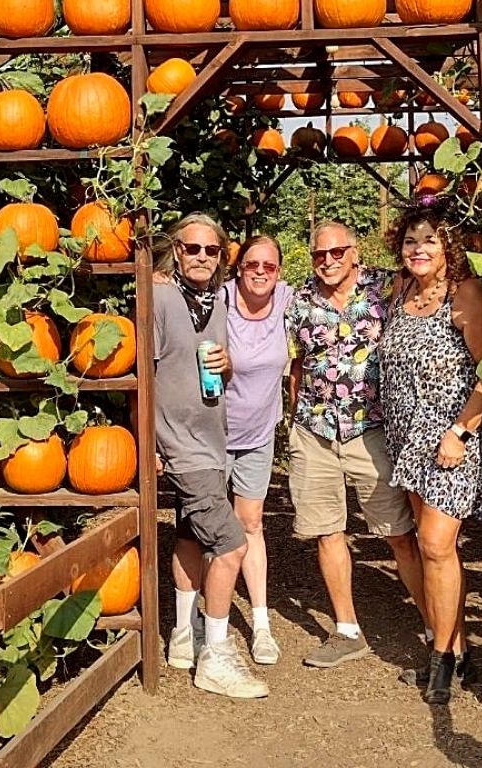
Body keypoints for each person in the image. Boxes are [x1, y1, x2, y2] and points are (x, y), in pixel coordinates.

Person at [286, 220, 429, 668]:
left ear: (355, 252)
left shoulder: (388, 289)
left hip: (373, 431)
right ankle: (347, 629)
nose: (326, 262)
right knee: (328, 530)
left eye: (335, 253)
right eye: (318, 255)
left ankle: (435, 623)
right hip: (315, 430)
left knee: (399, 534)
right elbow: (295, 365)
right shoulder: (299, 300)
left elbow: (437, 283)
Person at [379, 197, 482, 704]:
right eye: (410, 241)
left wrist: (461, 432)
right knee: (428, 548)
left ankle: (441, 657)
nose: (418, 249)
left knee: (435, 545)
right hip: (406, 441)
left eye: (429, 241)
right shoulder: (400, 290)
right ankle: (459, 649)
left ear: (449, 247)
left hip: (450, 440)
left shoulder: (464, 295)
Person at [153, 212, 268, 699]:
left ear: (223, 257)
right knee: (230, 543)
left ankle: (184, 636)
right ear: (175, 251)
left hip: (210, 443)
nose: (202, 257)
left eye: (211, 250)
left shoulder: (216, 301)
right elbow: (140, 375)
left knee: (190, 535)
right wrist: (150, 444)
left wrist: (226, 365)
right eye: (191, 248)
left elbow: (209, 372)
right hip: (181, 446)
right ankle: (216, 657)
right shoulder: (158, 297)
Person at [222, 234, 291, 666]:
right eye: (252, 264)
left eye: (268, 265)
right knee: (203, 527)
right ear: (238, 267)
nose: (260, 272)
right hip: (211, 434)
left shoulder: (287, 300)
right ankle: (198, 624)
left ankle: (261, 624)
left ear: (279, 272)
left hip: (258, 433)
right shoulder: (219, 299)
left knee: (250, 523)